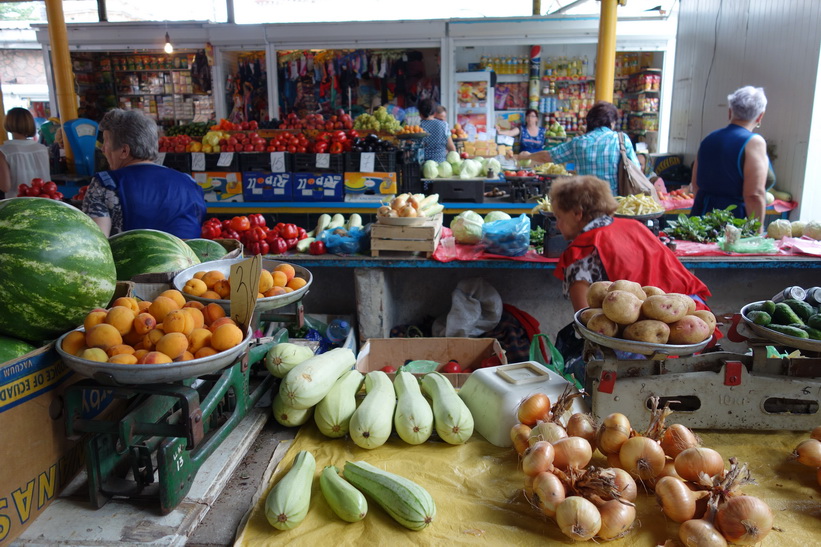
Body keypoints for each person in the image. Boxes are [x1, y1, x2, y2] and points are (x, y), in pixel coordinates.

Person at [550, 175, 716, 380]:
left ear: (577, 213)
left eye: (558, 217)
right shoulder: (635, 227)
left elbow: (588, 320)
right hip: (694, 325)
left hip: (652, 346)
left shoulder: (581, 251)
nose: (557, 225)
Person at [82, 108, 206, 239]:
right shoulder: (189, 183)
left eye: (106, 141)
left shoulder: (105, 185)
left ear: (124, 151)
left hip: (131, 259)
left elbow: (96, 244)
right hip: (190, 259)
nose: (102, 149)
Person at [514, 101, 640, 195]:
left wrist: (528, 156)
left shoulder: (578, 142)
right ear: (611, 122)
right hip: (615, 203)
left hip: (586, 203)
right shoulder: (621, 139)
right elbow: (636, 169)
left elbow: (548, 156)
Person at [690, 86, 769, 226]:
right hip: (731, 222)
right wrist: (756, 231)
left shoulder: (709, 139)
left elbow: (696, 185)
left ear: (730, 112)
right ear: (760, 116)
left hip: (700, 217)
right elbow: (754, 194)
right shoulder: (754, 142)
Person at [0, 107, 51, 199]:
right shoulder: (42, 149)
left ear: (8, 123)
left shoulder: (4, 151)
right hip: (45, 201)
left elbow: (5, 187)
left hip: (18, 204)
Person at [419, 98, 455, 163]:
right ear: (435, 113)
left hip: (424, 165)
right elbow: (451, 147)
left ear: (420, 114)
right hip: (441, 164)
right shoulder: (444, 125)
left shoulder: (418, 128)